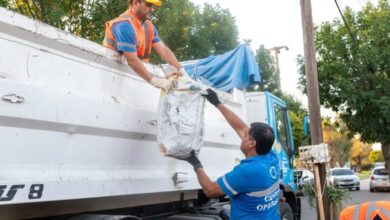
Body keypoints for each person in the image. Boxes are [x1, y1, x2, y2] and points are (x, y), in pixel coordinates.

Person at [181, 89, 281, 219]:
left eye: (246, 135)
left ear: (252, 143)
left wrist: (195, 163)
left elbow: (210, 190)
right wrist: (217, 103)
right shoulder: (271, 157)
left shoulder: (248, 171)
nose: (242, 135)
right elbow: (241, 127)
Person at [103, 0, 187, 91]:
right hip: (109, 74)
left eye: (152, 6)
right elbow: (131, 60)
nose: (151, 9)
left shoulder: (148, 26)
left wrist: (182, 72)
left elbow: (163, 50)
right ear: (135, 3)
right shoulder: (124, 25)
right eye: (148, 5)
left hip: (135, 76)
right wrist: (155, 81)